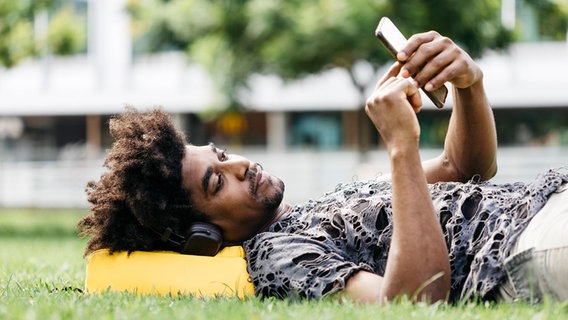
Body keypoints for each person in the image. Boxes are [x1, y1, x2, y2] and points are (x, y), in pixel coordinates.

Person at [77, 30, 568, 304]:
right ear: (203, 236)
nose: (242, 165)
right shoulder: (275, 257)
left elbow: (467, 165)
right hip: (523, 250)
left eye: (222, 157)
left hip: (548, 201)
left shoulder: (321, 204)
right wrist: (401, 149)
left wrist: (468, 83)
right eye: (216, 181)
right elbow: (414, 302)